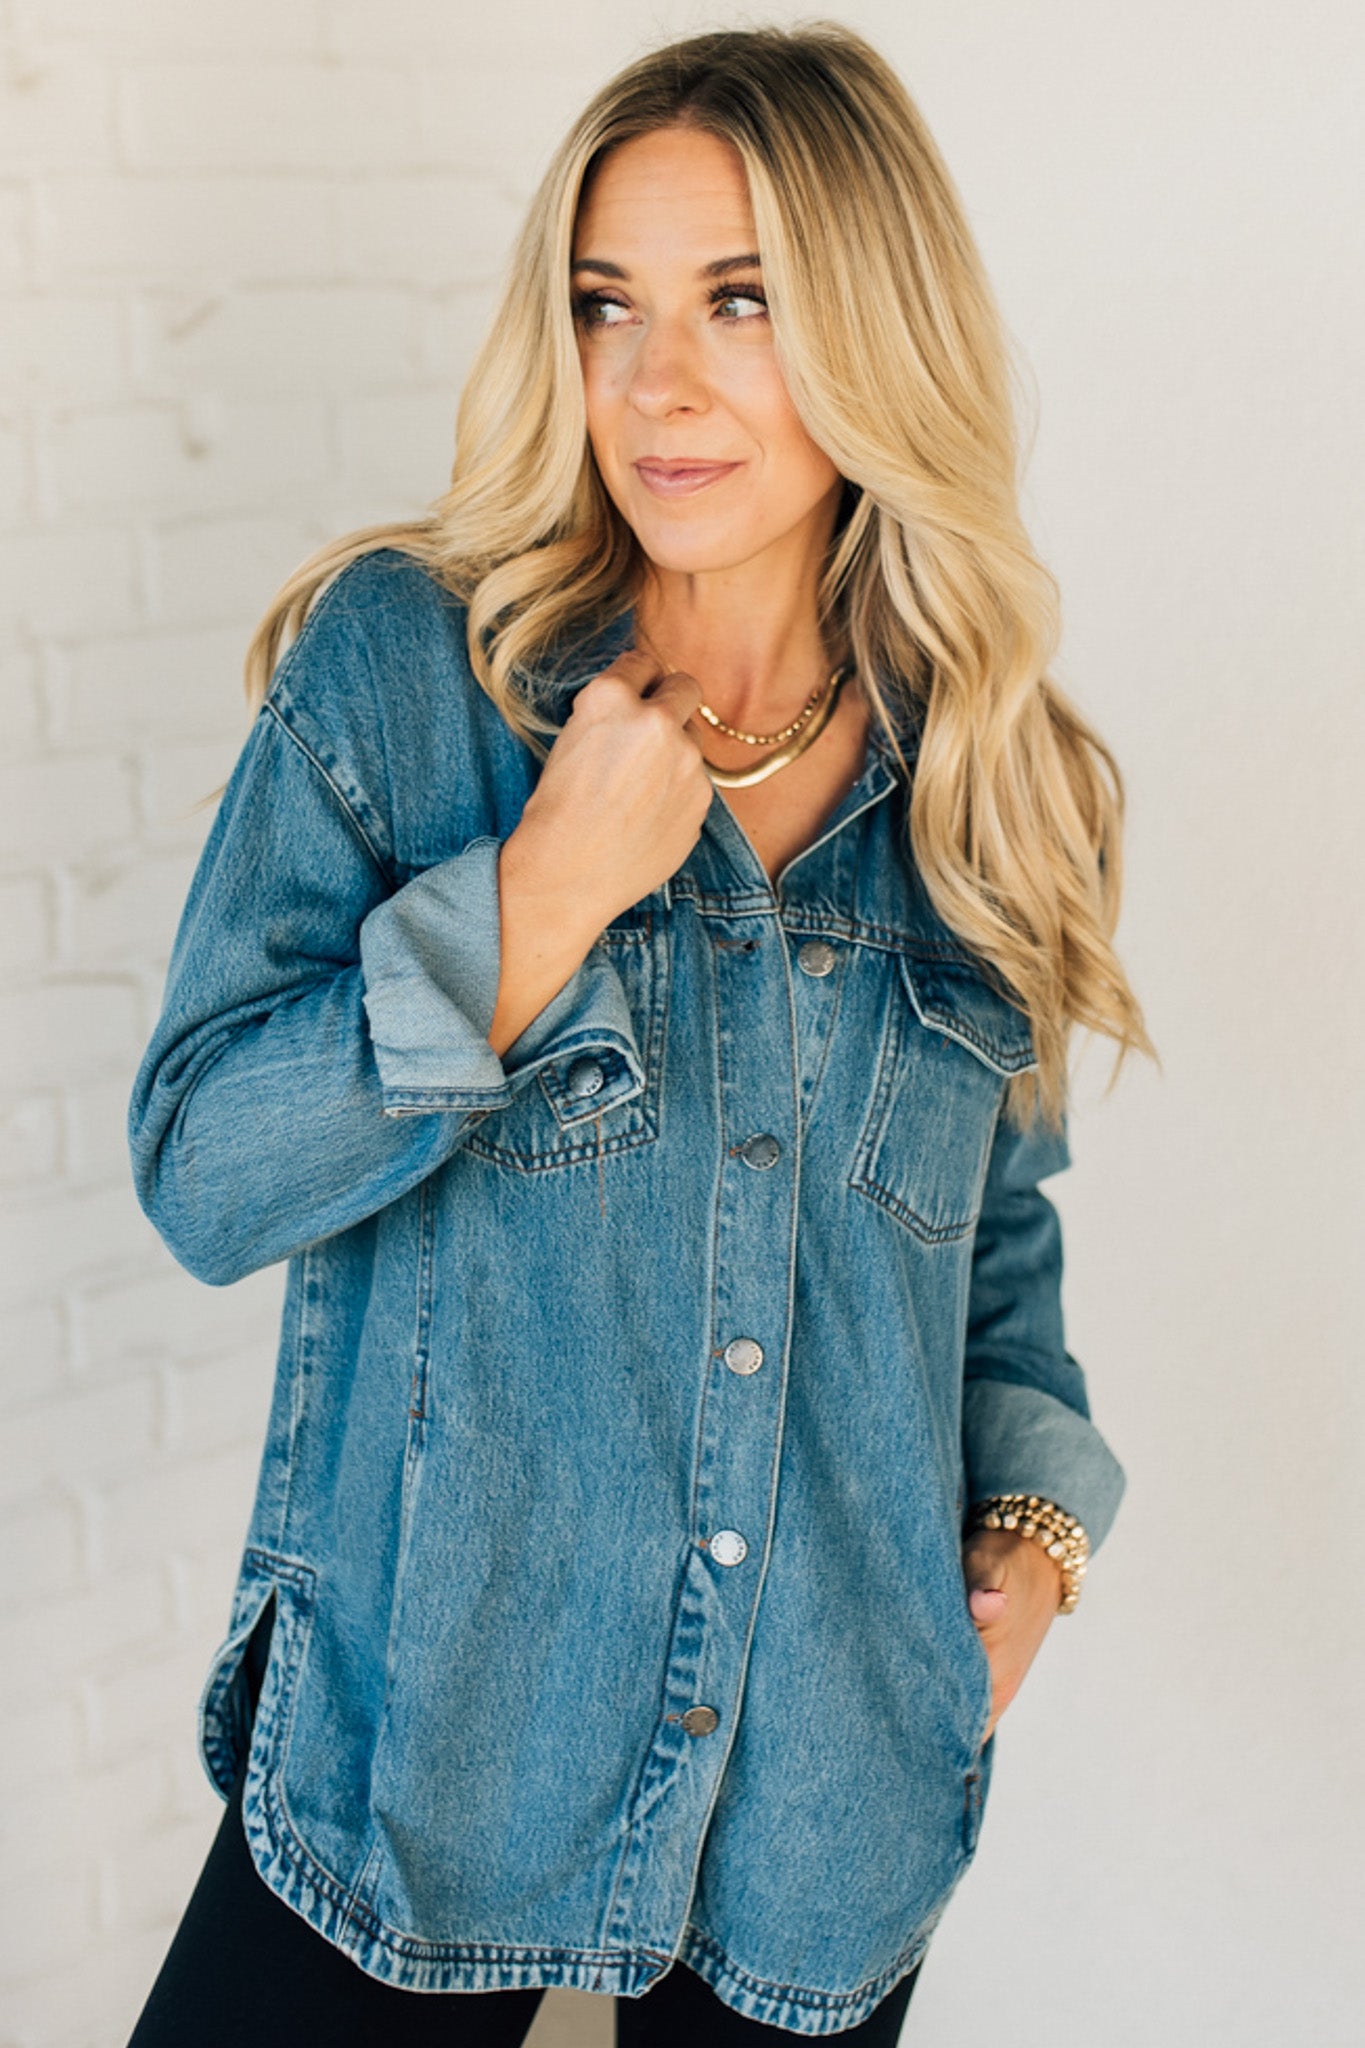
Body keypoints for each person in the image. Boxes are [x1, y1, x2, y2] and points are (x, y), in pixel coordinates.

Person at [124, 22, 1153, 2045]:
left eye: (739, 303)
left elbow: (993, 1232)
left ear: (877, 332)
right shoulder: (413, 673)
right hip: (425, 1774)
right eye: (607, 306)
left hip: (823, 1814)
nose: (655, 382)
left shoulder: (995, 781)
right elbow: (206, 1171)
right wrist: (533, 903)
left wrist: (1035, 1527)